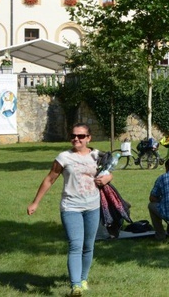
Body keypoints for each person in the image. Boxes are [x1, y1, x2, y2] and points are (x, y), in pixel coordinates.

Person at [27, 124, 113, 296]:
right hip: (71, 206)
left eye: (81, 136)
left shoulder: (97, 155)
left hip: (93, 206)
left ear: (89, 138)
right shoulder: (64, 157)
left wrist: (106, 179)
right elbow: (50, 179)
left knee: (88, 246)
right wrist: (35, 202)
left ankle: (83, 279)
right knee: (75, 244)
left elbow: (108, 173)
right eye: (73, 136)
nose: (76, 139)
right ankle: (75, 286)